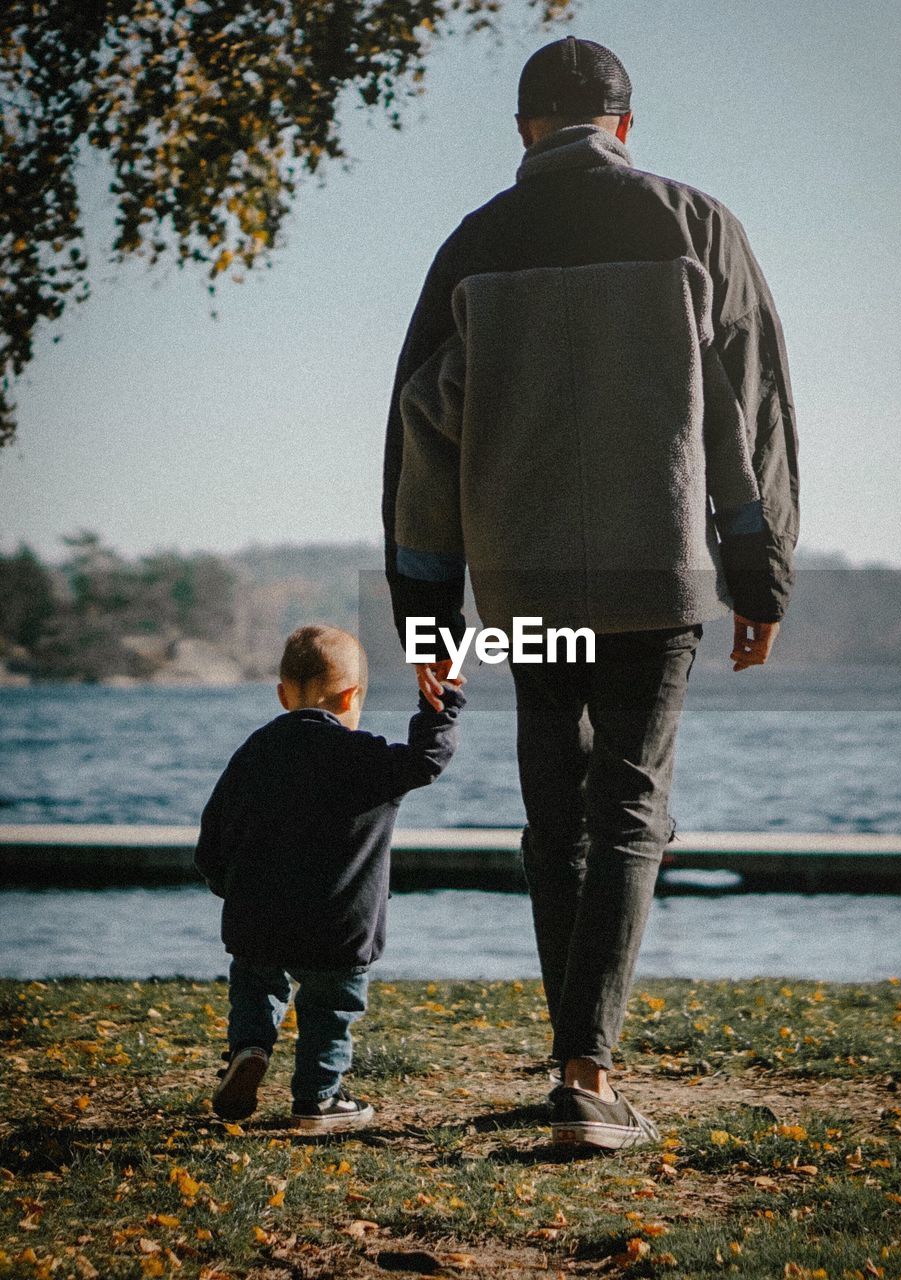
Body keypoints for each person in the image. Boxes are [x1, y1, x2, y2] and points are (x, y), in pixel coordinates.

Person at [382, 37, 798, 1149]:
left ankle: (575, 1062)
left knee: (554, 812)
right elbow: (746, 416)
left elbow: (422, 443)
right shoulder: (695, 225)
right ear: (623, 124)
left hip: (531, 593)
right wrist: (758, 573)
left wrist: (429, 618)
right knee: (626, 810)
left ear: (525, 128)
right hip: (654, 578)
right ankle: (586, 1070)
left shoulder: (474, 242)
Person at [194, 624, 464, 1132]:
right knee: (330, 1006)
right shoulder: (363, 758)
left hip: (258, 915)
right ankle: (317, 1101)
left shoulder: (255, 752)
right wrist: (442, 701)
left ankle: (249, 1047)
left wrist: (226, 885)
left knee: (256, 984)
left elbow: (215, 830)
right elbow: (426, 759)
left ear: (282, 695)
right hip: (339, 924)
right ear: (351, 696)